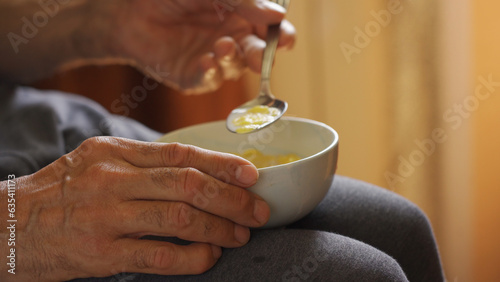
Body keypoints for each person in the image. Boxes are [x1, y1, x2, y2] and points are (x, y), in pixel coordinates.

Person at [0, 1, 444, 281]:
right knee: (358, 275)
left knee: (402, 227)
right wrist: (19, 225)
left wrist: (110, 18)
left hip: (26, 119)